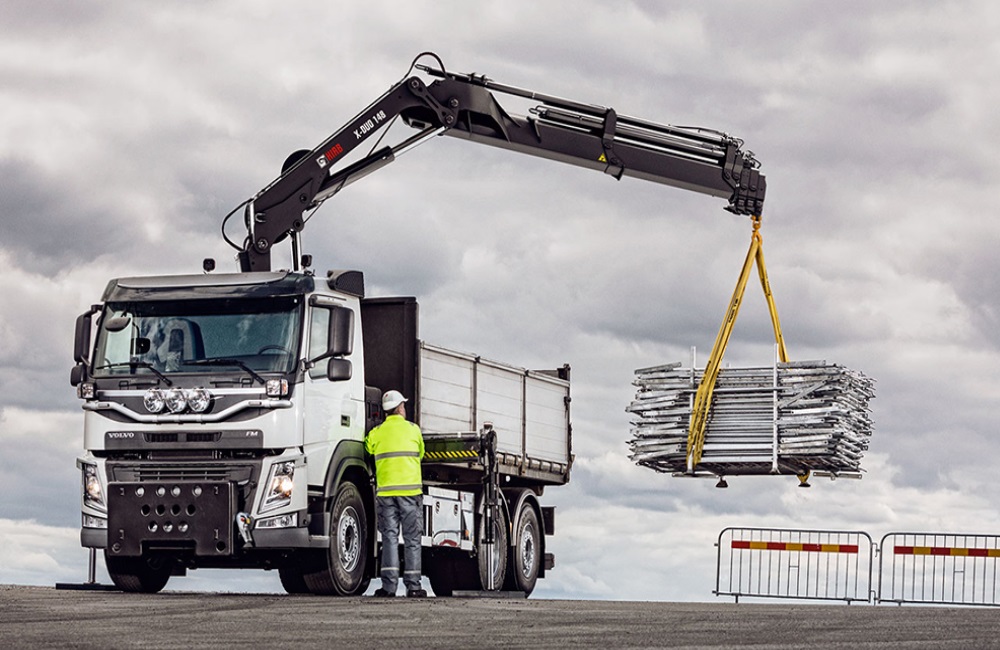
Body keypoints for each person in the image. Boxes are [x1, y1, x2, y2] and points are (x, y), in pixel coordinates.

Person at [365, 389, 427, 597]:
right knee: (412, 539)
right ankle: (413, 587)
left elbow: (368, 448)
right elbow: (421, 453)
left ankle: (389, 587)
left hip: (386, 494)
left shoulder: (376, 433)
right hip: (410, 493)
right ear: (400, 408)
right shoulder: (413, 430)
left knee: (389, 538)